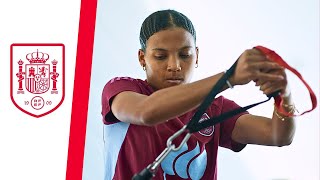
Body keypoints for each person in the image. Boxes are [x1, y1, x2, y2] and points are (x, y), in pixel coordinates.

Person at [101, 9, 296, 180]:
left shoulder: (216, 107)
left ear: (197, 56)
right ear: (142, 58)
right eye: (160, 56)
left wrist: (283, 95)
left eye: (185, 55)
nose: (174, 66)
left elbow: (277, 135)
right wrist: (228, 78)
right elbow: (147, 112)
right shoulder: (122, 89)